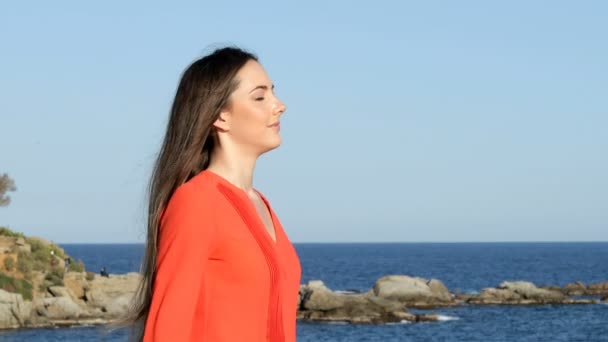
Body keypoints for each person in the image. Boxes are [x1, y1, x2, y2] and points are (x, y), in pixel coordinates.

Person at [128, 46, 302, 341]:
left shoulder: (262, 204)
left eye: (273, 92)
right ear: (220, 117)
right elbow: (166, 326)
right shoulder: (196, 202)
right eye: (260, 97)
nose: (279, 105)